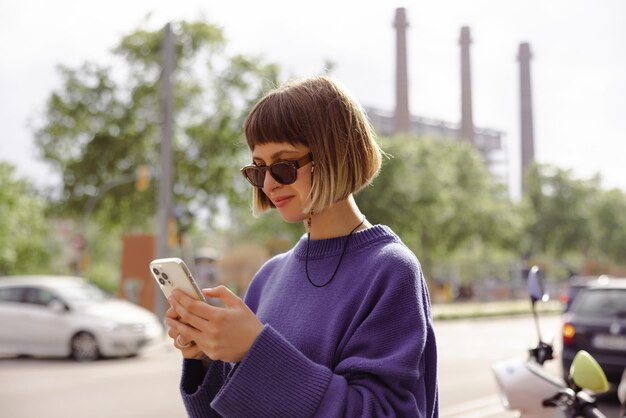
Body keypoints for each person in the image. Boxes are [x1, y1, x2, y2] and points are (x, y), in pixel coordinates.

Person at [165, 76, 439, 417]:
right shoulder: (269, 276)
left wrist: (255, 352)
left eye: (282, 166)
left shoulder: (389, 269)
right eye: (258, 169)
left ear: (334, 155)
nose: (267, 183)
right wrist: (204, 359)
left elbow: (383, 412)